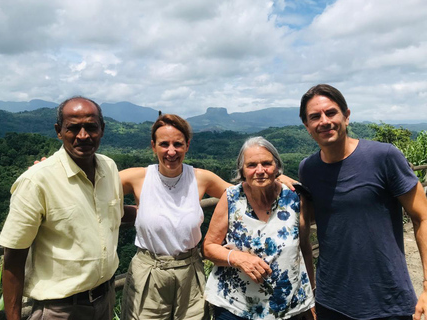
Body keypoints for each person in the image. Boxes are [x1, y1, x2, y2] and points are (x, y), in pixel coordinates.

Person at [119, 114, 300, 320]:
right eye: (164, 144)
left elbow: (243, 192)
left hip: (189, 270)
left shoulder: (200, 178)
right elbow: (96, 186)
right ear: (153, 146)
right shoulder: (137, 177)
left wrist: (274, 177)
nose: (171, 151)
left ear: (187, 145)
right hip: (149, 270)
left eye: (178, 144)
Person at [298, 84, 427, 320]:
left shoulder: (383, 156)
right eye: (315, 117)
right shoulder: (308, 169)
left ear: (346, 115)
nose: (324, 121)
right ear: (307, 126)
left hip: (387, 300)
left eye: (331, 112)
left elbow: (423, 217)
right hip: (330, 300)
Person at [0, 97, 124, 320]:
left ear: (102, 130)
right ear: (59, 131)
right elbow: (14, 258)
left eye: (91, 127)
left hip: (105, 299)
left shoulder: (110, 168)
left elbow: (114, 216)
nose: (83, 135)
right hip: (60, 310)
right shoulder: (36, 181)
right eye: (73, 128)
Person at [203, 137, 315, 320]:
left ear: (277, 167)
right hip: (236, 307)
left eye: (266, 163)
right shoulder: (231, 198)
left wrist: (311, 296)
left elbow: (304, 249)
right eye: (252, 165)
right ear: (242, 170)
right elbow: (208, 248)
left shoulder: (295, 199)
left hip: (288, 308)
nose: (260, 171)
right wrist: (238, 258)